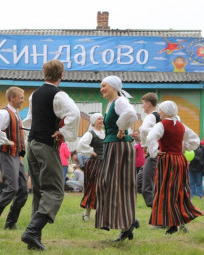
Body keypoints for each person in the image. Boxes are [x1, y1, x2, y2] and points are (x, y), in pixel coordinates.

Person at [21, 59, 80, 250]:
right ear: (61, 75)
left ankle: (33, 240)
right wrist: (63, 132)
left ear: (43, 73)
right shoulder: (58, 94)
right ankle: (32, 231)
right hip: (46, 145)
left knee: (39, 191)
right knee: (54, 190)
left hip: (33, 144)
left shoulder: (34, 95)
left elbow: (30, 120)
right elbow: (75, 114)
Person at [147, 100, 204, 234]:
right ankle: (180, 221)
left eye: (161, 110)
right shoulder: (181, 125)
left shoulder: (162, 125)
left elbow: (150, 137)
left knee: (164, 190)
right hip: (180, 160)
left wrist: (154, 152)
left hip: (167, 159)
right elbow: (195, 140)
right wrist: (182, 147)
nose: (159, 112)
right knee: (179, 190)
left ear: (166, 111)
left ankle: (170, 223)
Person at [96, 75, 138, 242]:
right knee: (112, 185)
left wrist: (122, 128)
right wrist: (121, 128)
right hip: (113, 146)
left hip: (118, 146)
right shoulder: (111, 103)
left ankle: (127, 224)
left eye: (104, 85)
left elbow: (131, 113)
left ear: (114, 86)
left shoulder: (119, 101)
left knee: (117, 185)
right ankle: (128, 222)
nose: (101, 89)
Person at [0, 87, 28, 230]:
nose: (23, 100)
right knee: (12, 188)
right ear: (12, 98)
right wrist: (6, 141)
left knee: (23, 190)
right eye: (21, 97)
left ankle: (10, 222)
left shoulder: (16, 114)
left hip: (16, 156)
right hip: (7, 154)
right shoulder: (4, 113)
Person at [77, 113, 104, 222]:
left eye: (102, 119)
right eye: (99, 119)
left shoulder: (104, 133)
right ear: (94, 121)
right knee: (93, 187)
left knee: (103, 188)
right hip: (94, 164)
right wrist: (91, 152)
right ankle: (86, 214)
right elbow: (81, 145)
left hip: (104, 163)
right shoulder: (90, 133)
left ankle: (101, 213)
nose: (101, 121)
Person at [139, 92, 160, 208]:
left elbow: (143, 129)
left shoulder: (151, 116)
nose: (142, 106)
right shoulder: (160, 116)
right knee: (139, 182)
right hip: (156, 153)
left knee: (147, 186)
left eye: (143, 104)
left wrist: (144, 144)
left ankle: (158, 213)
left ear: (148, 104)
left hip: (152, 154)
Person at [132, 130, 145, 194]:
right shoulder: (138, 143)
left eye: (136, 134)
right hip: (137, 163)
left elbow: (133, 149)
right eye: (134, 134)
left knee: (139, 177)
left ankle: (138, 190)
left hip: (140, 163)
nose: (135, 135)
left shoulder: (139, 143)